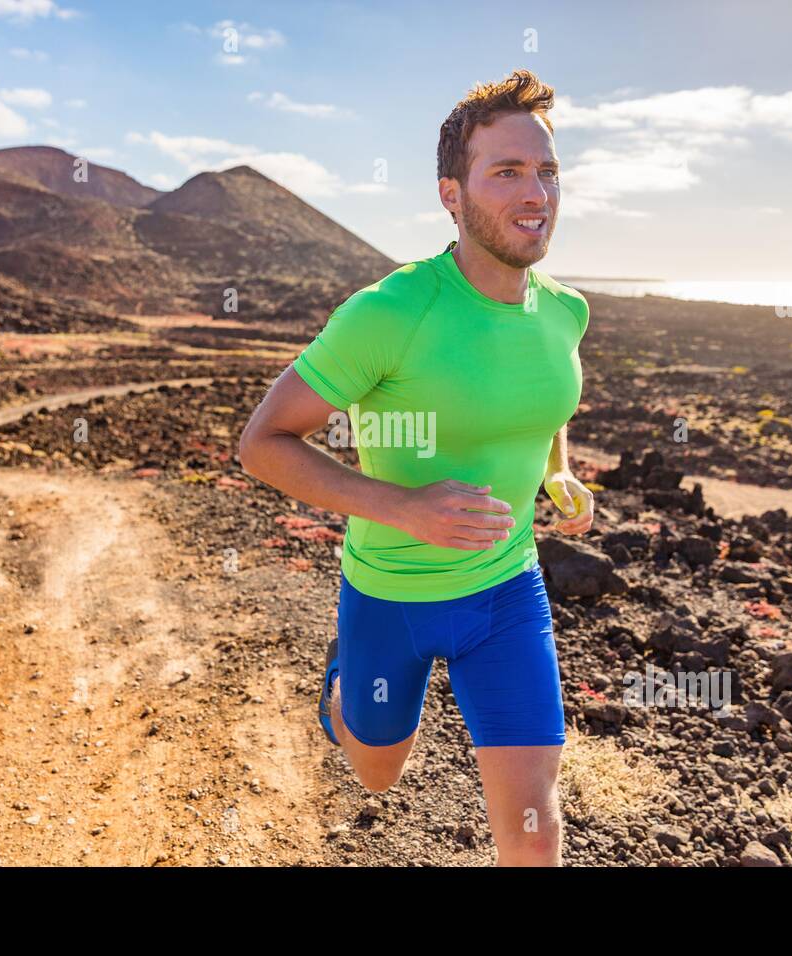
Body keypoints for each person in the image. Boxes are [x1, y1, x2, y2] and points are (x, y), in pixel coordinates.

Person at [238, 68, 594, 866]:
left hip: (508, 593)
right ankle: (342, 691)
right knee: (375, 773)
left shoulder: (566, 312)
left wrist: (556, 472)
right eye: (505, 171)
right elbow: (263, 443)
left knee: (534, 825)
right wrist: (404, 507)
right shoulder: (390, 313)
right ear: (451, 194)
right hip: (390, 594)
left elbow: (543, 406)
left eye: (546, 170)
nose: (535, 191)